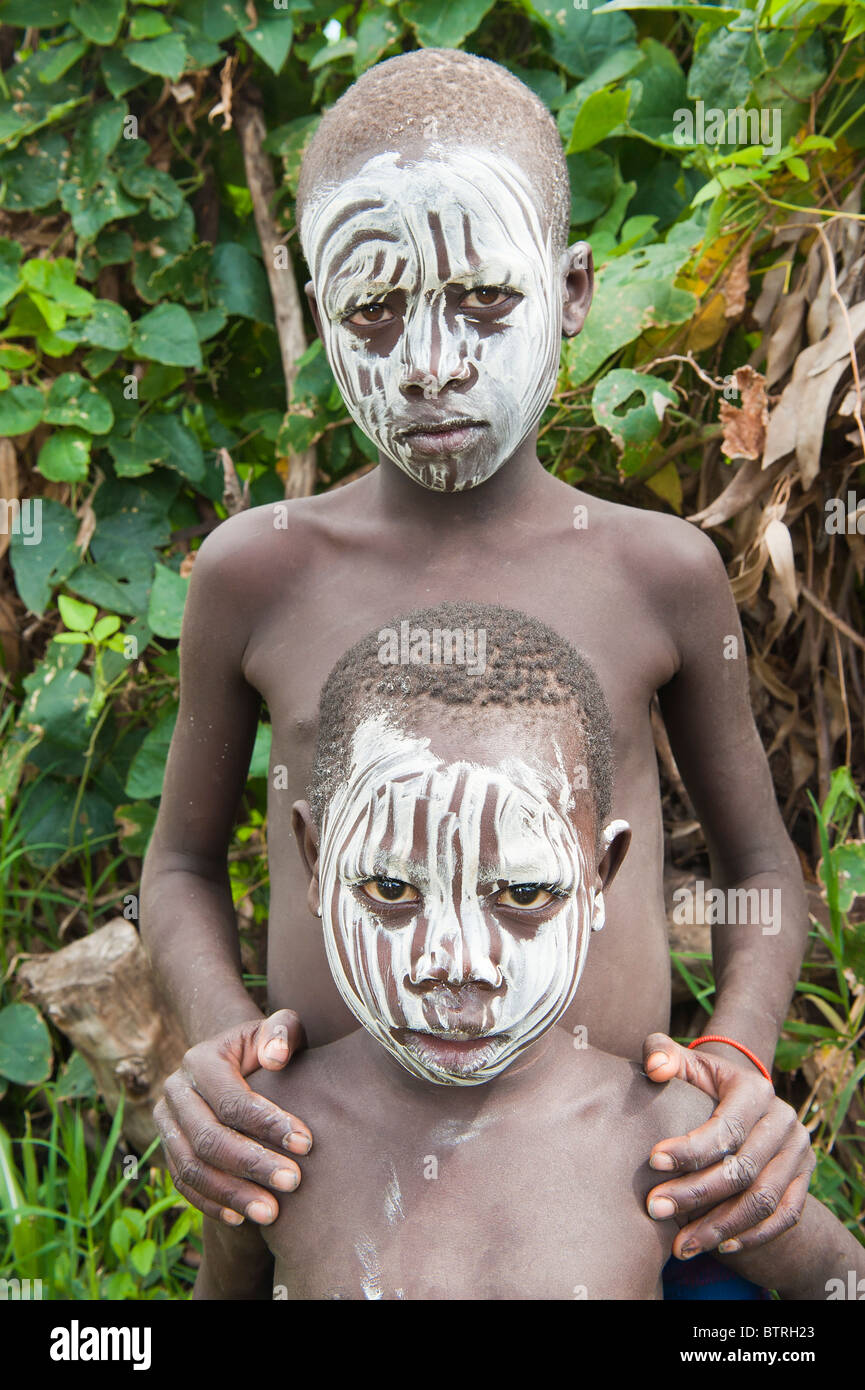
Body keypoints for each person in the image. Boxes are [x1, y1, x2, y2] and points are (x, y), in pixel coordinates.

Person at [142, 49, 814, 1279]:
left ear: (568, 293)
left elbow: (761, 861)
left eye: (485, 304)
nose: (430, 364)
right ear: (318, 302)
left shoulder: (653, 574)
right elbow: (181, 863)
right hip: (340, 1194)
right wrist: (219, 1044)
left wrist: (741, 1059)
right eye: (375, 311)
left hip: (639, 1193)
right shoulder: (259, 575)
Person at [192, 606, 861, 1301]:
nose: (454, 962)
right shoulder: (266, 1135)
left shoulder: (667, 1138)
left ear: (600, 875)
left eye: (521, 892)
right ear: (315, 860)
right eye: (389, 886)